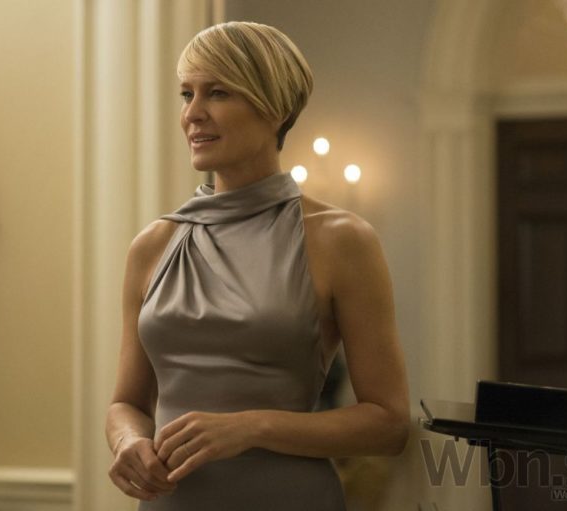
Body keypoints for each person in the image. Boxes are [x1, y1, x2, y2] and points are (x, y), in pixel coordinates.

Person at [105, 21, 410, 510]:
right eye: (186, 94)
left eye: (218, 92)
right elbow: (126, 404)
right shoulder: (153, 245)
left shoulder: (341, 240)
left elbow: (389, 423)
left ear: (276, 108)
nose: (192, 114)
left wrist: (253, 427)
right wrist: (127, 441)